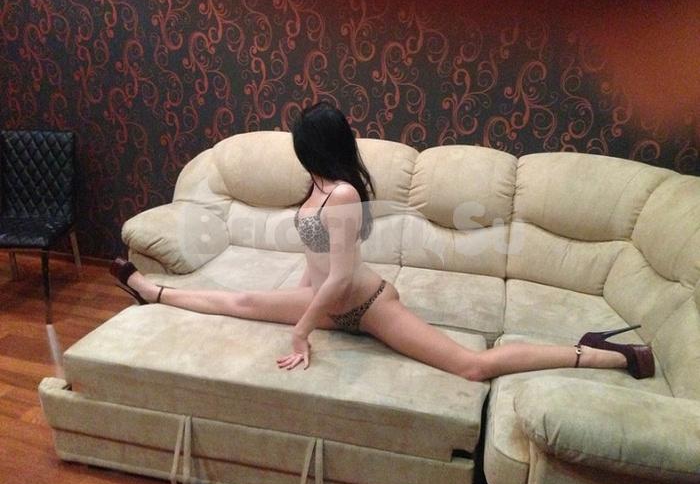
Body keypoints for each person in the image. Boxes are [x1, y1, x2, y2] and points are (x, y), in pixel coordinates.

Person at [110, 102, 654, 380]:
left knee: (470, 365)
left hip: (364, 304)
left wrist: (301, 330)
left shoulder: (344, 194)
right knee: (242, 301)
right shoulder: (316, 183)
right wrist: (303, 307)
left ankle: (603, 354)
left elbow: (342, 278)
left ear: (316, 147)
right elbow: (317, 267)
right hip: (326, 299)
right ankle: (150, 290)